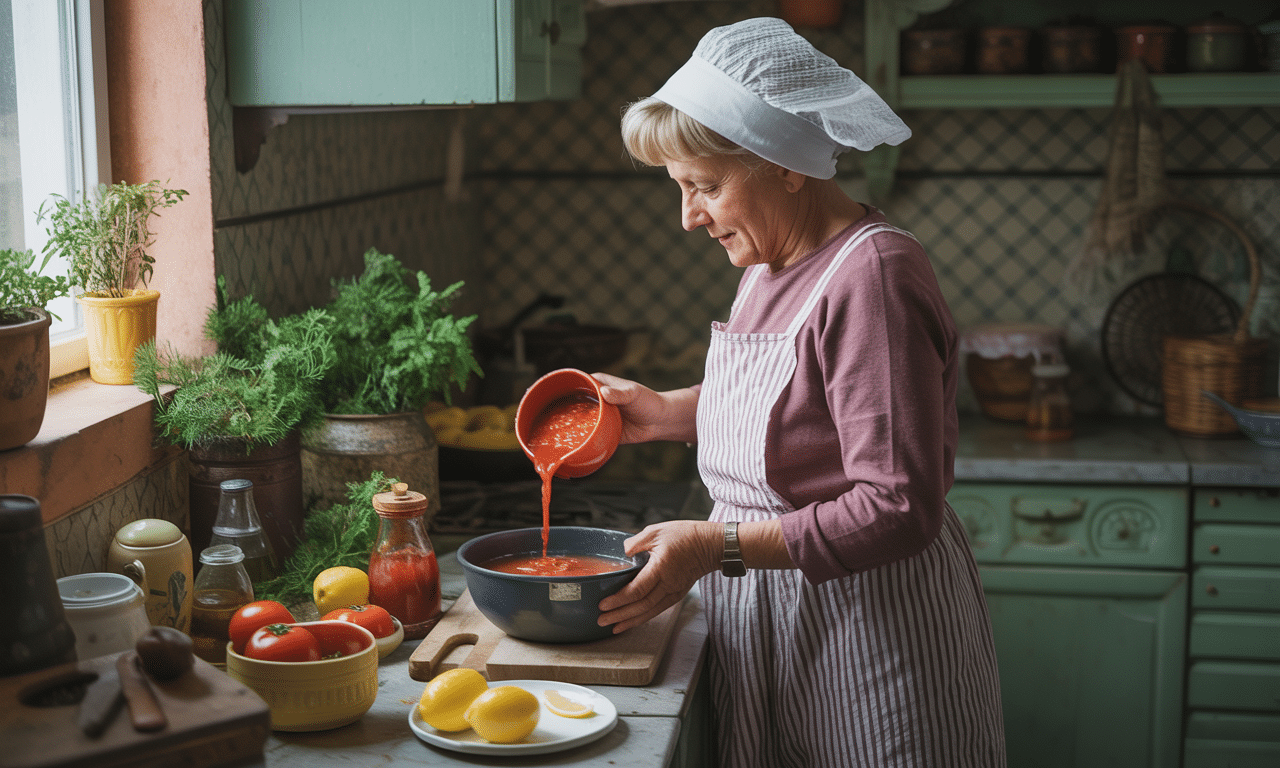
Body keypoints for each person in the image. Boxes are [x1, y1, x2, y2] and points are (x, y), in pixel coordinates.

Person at [593, 17, 1006, 768]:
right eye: (681, 189)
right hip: (773, 617)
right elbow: (797, 408)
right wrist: (666, 412)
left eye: (705, 187)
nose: (688, 218)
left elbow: (897, 506)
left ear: (786, 167)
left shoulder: (872, 277)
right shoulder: (768, 264)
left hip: (870, 628)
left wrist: (713, 545)